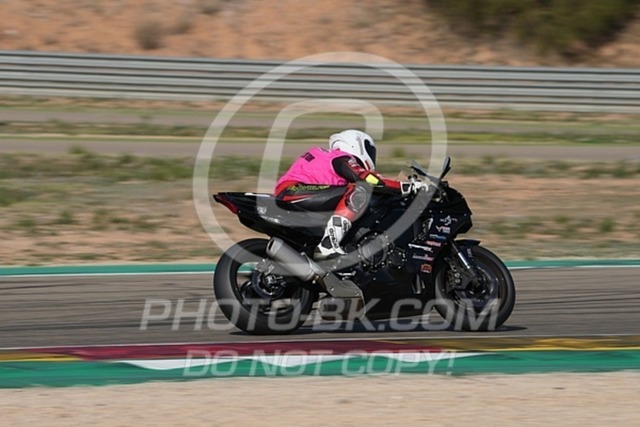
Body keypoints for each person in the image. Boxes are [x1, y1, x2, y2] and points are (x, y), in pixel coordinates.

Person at [274, 129, 425, 260]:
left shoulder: (327, 157)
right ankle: (328, 245)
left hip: (291, 192)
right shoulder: (342, 157)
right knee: (359, 191)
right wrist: (405, 187)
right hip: (295, 190)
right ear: (357, 144)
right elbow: (368, 179)